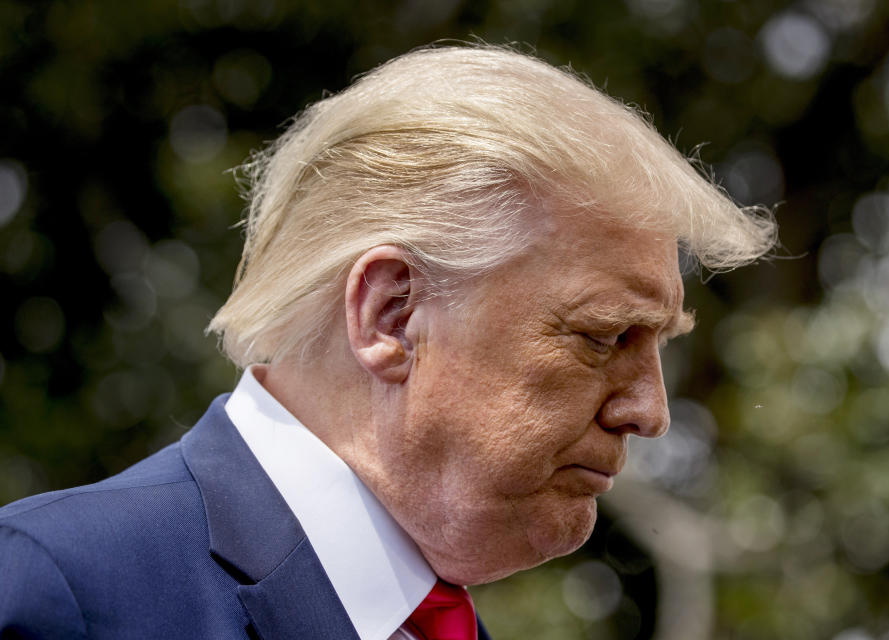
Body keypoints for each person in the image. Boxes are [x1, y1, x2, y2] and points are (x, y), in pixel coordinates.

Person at [0, 45, 777, 639]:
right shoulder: (57, 590)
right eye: (605, 337)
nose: (651, 412)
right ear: (392, 315)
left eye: (659, 343)